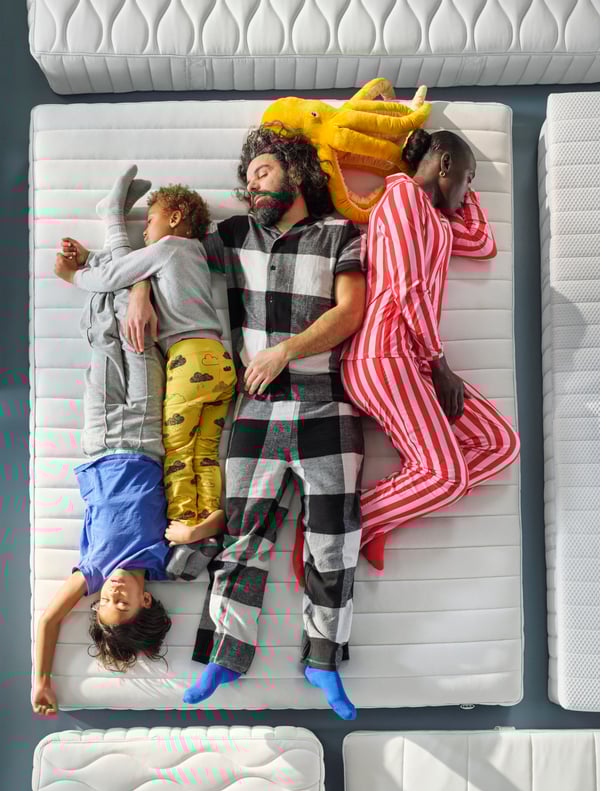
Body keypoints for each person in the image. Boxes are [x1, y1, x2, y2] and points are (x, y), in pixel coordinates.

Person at [127, 124, 367, 719]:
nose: (251, 183)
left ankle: (323, 661)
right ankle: (227, 657)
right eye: (247, 177)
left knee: (333, 543)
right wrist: (136, 291)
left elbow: (352, 311)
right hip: (253, 412)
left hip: (326, 405)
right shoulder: (231, 235)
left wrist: (286, 350)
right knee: (242, 541)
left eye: (262, 171)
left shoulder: (340, 233)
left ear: (295, 171)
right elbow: (167, 254)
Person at [32, 174, 216, 717]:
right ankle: (110, 225)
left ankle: (104, 242)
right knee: (135, 334)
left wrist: (41, 678)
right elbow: (209, 530)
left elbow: (47, 619)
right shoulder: (166, 563)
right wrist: (200, 527)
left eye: (105, 605)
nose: (111, 595)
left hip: (97, 441)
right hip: (144, 434)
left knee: (103, 336)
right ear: (146, 601)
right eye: (123, 603)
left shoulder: (90, 571)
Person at [338, 128, 520, 571]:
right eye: (469, 176)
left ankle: (380, 516)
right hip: (383, 356)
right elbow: (405, 288)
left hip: (411, 360)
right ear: (443, 164)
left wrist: (459, 191)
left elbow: (482, 242)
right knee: (447, 475)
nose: (471, 188)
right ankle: (337, 526)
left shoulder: (435, 221)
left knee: (499, 444)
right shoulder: (400, 200)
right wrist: (440, 363)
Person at [57, 166, 235, 542]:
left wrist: (74, 275)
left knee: (178, 449)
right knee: (204, 449)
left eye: (149, 221)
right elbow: (130, 271)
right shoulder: (197, 253)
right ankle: (208, 515)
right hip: (218, 360)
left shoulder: (166, 247)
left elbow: (114, 278)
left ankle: (187, 520)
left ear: (175, 218)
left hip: (188, 362)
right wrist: (90, 256)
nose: (144, 231)